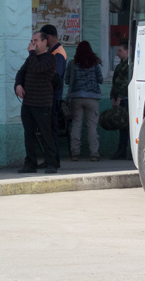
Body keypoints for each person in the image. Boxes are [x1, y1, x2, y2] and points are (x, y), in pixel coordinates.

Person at [15, 31, 59, 174]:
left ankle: (52, 163)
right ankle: (30, 164)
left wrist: (31, 54)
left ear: (44, 42)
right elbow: (20, 73)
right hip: (28, 103)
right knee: (29, 134)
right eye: (31, 40)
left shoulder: (50, 58)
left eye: (35, 40)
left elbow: (37, 69)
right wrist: (18, 85)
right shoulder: (30, 59)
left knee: (46, 134)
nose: (32, 43)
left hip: (42, 103)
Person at [65, 41, 104, 161]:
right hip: (92, 98)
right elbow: (101, 80)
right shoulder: (94, 64)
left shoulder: (72, 64)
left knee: (76, 125)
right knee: (92, 126)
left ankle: (75, 153)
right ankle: (94, 154)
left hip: (76, 97)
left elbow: (67, 81)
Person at [39, 24, 67, 164]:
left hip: (53, 98)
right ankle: (51, 158)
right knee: (48, 130)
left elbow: (56, 76)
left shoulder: (58, 54)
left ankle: (53, 159)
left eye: (43, 39)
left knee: (50, 130)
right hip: (50, 97)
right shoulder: (53, 52)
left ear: (49, 38)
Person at [109, 44, 132, 160]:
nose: (118, 53)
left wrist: (119, 98)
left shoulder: (129, 66)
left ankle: (127, 150)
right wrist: (112, 97)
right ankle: (121, 149)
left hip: (126, 99)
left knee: (126, 125)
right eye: (117, 50)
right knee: (121, 126)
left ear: (128, 51)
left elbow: (125, 83)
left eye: (120, 50)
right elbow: (115, 83)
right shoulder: (119, 66)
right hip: (118, 99)